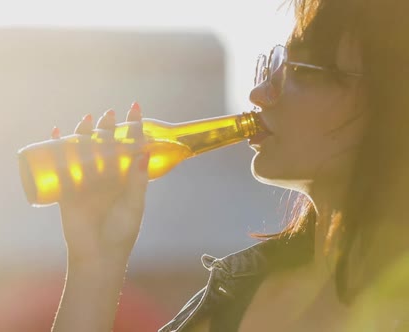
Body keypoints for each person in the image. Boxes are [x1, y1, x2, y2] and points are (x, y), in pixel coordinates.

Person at [48, 0, 409, 331]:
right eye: (272, 66)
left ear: (390, 102)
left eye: (298, 69)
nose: (258, 94)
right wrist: (94, 266)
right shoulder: (239, 295)